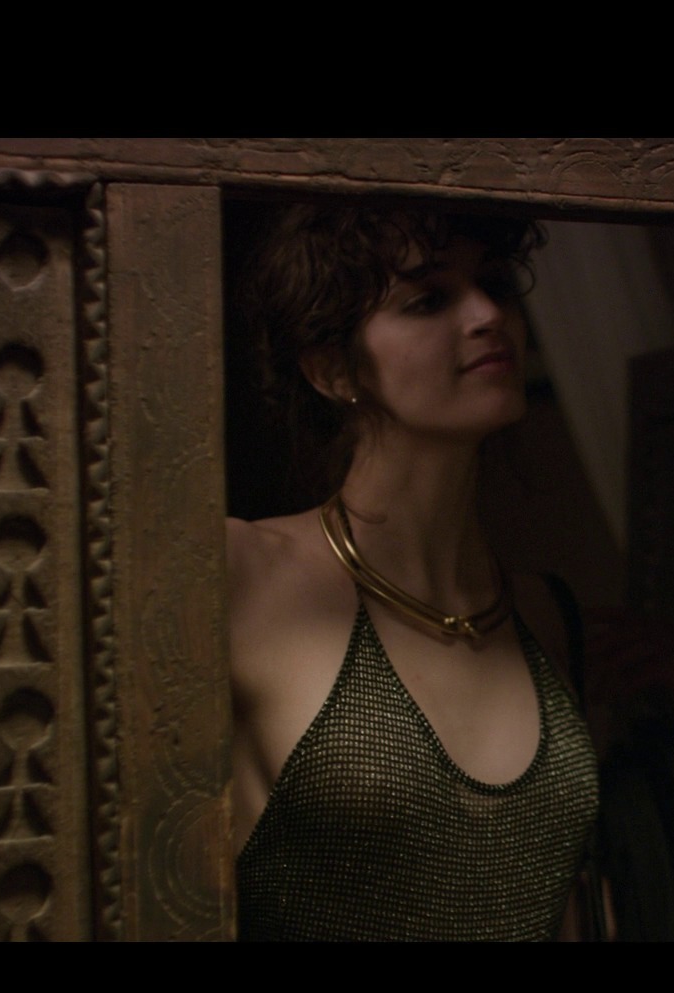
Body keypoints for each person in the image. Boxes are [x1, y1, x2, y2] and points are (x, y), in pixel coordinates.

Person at [226, 204, 598, 940]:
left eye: (496, 284)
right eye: (429, 299)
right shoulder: (243, 573)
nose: (488, 315)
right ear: (333, 370)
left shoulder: (544, 612)